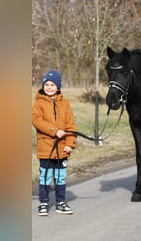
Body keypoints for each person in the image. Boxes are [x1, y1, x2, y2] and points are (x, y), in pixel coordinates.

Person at [32, 70, 78, 216]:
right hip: (45, 148)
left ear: (58, 87)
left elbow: (71, 125)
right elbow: (36, 121)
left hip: (62, 149)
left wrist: (70, 144)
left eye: (52, 84)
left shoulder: (65, 104)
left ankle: (60, 202)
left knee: (60, 177)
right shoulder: (38, 103)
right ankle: (44, 203)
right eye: (47, 84)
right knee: (45, 176)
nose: (49, 87)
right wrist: (55, 130)